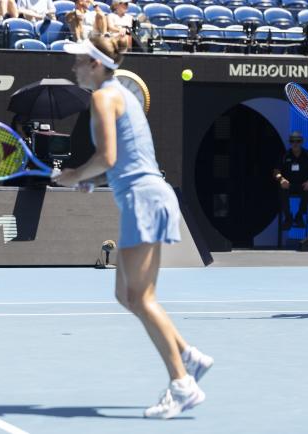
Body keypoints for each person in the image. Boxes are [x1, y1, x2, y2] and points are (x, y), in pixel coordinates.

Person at [55, 36, 213, 419]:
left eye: (77, 61)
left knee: (142, 298)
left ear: (95, 64)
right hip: (144, 196)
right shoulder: (119, 93)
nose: (73, 67)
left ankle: (182, 385)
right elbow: (123, 157)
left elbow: (107, 156)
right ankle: (188, 356)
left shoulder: (103, 98)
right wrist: (93, 179)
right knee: (126, 295)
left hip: (144, 199)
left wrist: (74, 175)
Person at [273, 131, 308, 230]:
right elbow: (276, 172)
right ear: (290, 142)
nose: (295, 143)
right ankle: (288, 218)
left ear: (301, 142)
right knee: (281, 189)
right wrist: (281, 179)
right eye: (293, 141)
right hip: (288, 185)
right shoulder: (285, 155)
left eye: (298, 141)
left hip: (303, 184)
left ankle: (299, 216)